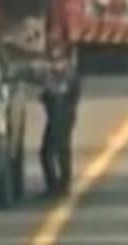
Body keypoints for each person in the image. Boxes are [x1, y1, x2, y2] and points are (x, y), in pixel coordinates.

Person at [39, 43, 81, 197]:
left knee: (59, 150)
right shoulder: (52, 74)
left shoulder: (69, 76)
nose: (54, 64)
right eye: (52, 60)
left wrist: (49, 90)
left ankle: (62, 185)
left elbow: (60, 92)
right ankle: (55, 184)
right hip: (55, 117)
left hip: (63, 117)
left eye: (58, 60)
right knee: (48, 152)